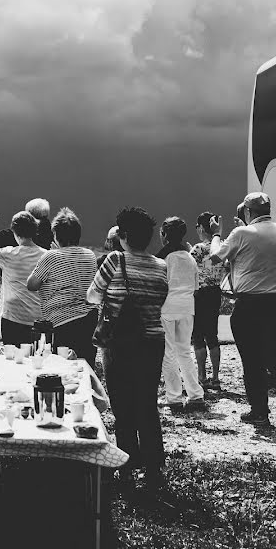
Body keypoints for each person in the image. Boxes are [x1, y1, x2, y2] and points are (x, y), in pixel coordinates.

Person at [87, 207, 169, 492]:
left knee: (122, 408)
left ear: (122, 235)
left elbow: (92, 295)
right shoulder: (161, 266)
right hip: (152, 342)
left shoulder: (114, 260)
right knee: (147, 404)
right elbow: (160, 299)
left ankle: (127, 468)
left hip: (120, 342)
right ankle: (154, 469)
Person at [209, 192, 276, 424]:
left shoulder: (240, 233)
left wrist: (217, 235)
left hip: (250, 303)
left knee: (252, 358)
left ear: (248, 212)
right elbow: (259, 245)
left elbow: (215, 257)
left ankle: (260, 411)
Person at [27, 208, 98, 367]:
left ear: (56, 235)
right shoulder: (90, 255)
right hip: (89, 319)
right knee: (85, 366)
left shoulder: (51, 256)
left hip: (62, 321)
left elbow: (31, 284)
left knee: (63, 368)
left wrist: (55, 254)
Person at [156, 217, 206, 413]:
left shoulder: (164, 258)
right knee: (184, 351)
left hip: (167, 308)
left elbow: (160, 285)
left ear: (165, 235)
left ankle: (174, 397)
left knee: (168, 353)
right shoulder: (190, 257)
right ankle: (196, 394)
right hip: (187, 308)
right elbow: (195, 287)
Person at [0, 206, 47, 346]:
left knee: (13, 362)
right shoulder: (46, 255)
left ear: (14, 231)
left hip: (12, 318)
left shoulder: (8, 254)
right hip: (40, 318)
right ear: (35, 230)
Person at [189, 211, 227, 390]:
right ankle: (216, 378)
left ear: (202, 228)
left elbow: (189, 267)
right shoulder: (222, 246)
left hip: (199, 294)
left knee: (198, 335)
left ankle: (202, 377)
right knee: (212, 334)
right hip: (215, 293)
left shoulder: (197, 248)